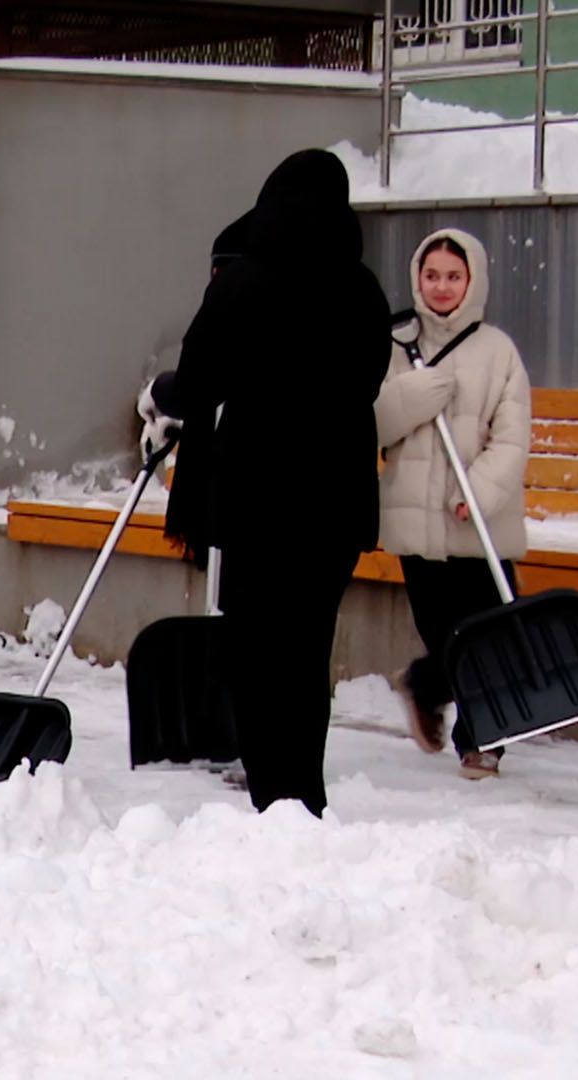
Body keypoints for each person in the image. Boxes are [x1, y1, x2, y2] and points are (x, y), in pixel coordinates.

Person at [162, 150, 391, 817]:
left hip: (258, 498)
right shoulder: (364, 291)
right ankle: (306, 793)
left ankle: (273, 797)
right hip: (336, 502)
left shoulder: (241, 284)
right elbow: (369, 382)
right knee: (307, 650)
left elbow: (198, 384)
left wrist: (166, 392)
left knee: (258, 651)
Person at [374, 228, 531, 781]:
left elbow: (512, 439)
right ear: (418, 277)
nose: (442, 287)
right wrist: (411, 398)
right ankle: (435, 689)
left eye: (454, 276)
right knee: (446, 633)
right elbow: (372, 425)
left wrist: (478, 492)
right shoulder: (395, 347)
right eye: (432, 275)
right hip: (416, 522)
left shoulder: (498, 352)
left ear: (474, 281)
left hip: (477, 521)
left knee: (493, 631)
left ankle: (473, 729)